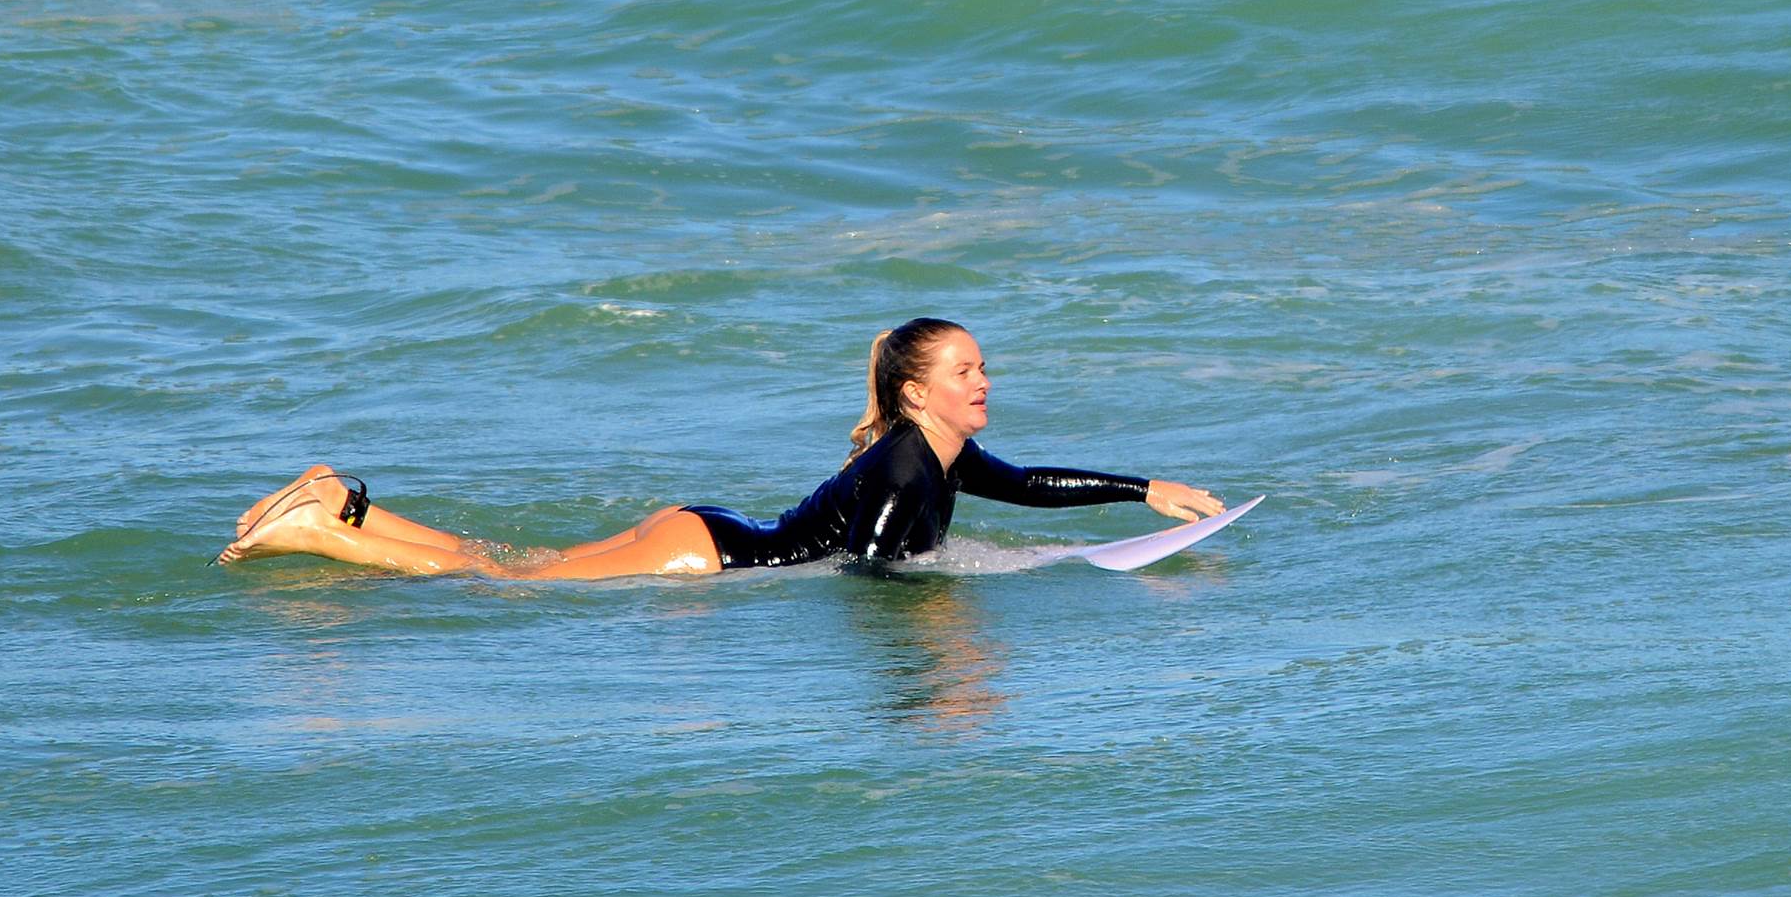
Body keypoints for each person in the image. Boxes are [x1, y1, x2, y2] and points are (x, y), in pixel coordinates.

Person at [217, 317, 1225, 579]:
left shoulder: (933, 450)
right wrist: (948, 629)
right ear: (918, 390)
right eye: (966, 371)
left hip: (705, 537)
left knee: (505, 563)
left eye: (984, 367)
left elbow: (1024, 484)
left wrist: (1145, 489)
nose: (984, 382)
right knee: (494, 578)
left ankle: (340, 500)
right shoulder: (908, 461)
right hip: (703, 555)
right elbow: (871, 569)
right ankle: (318, 530)